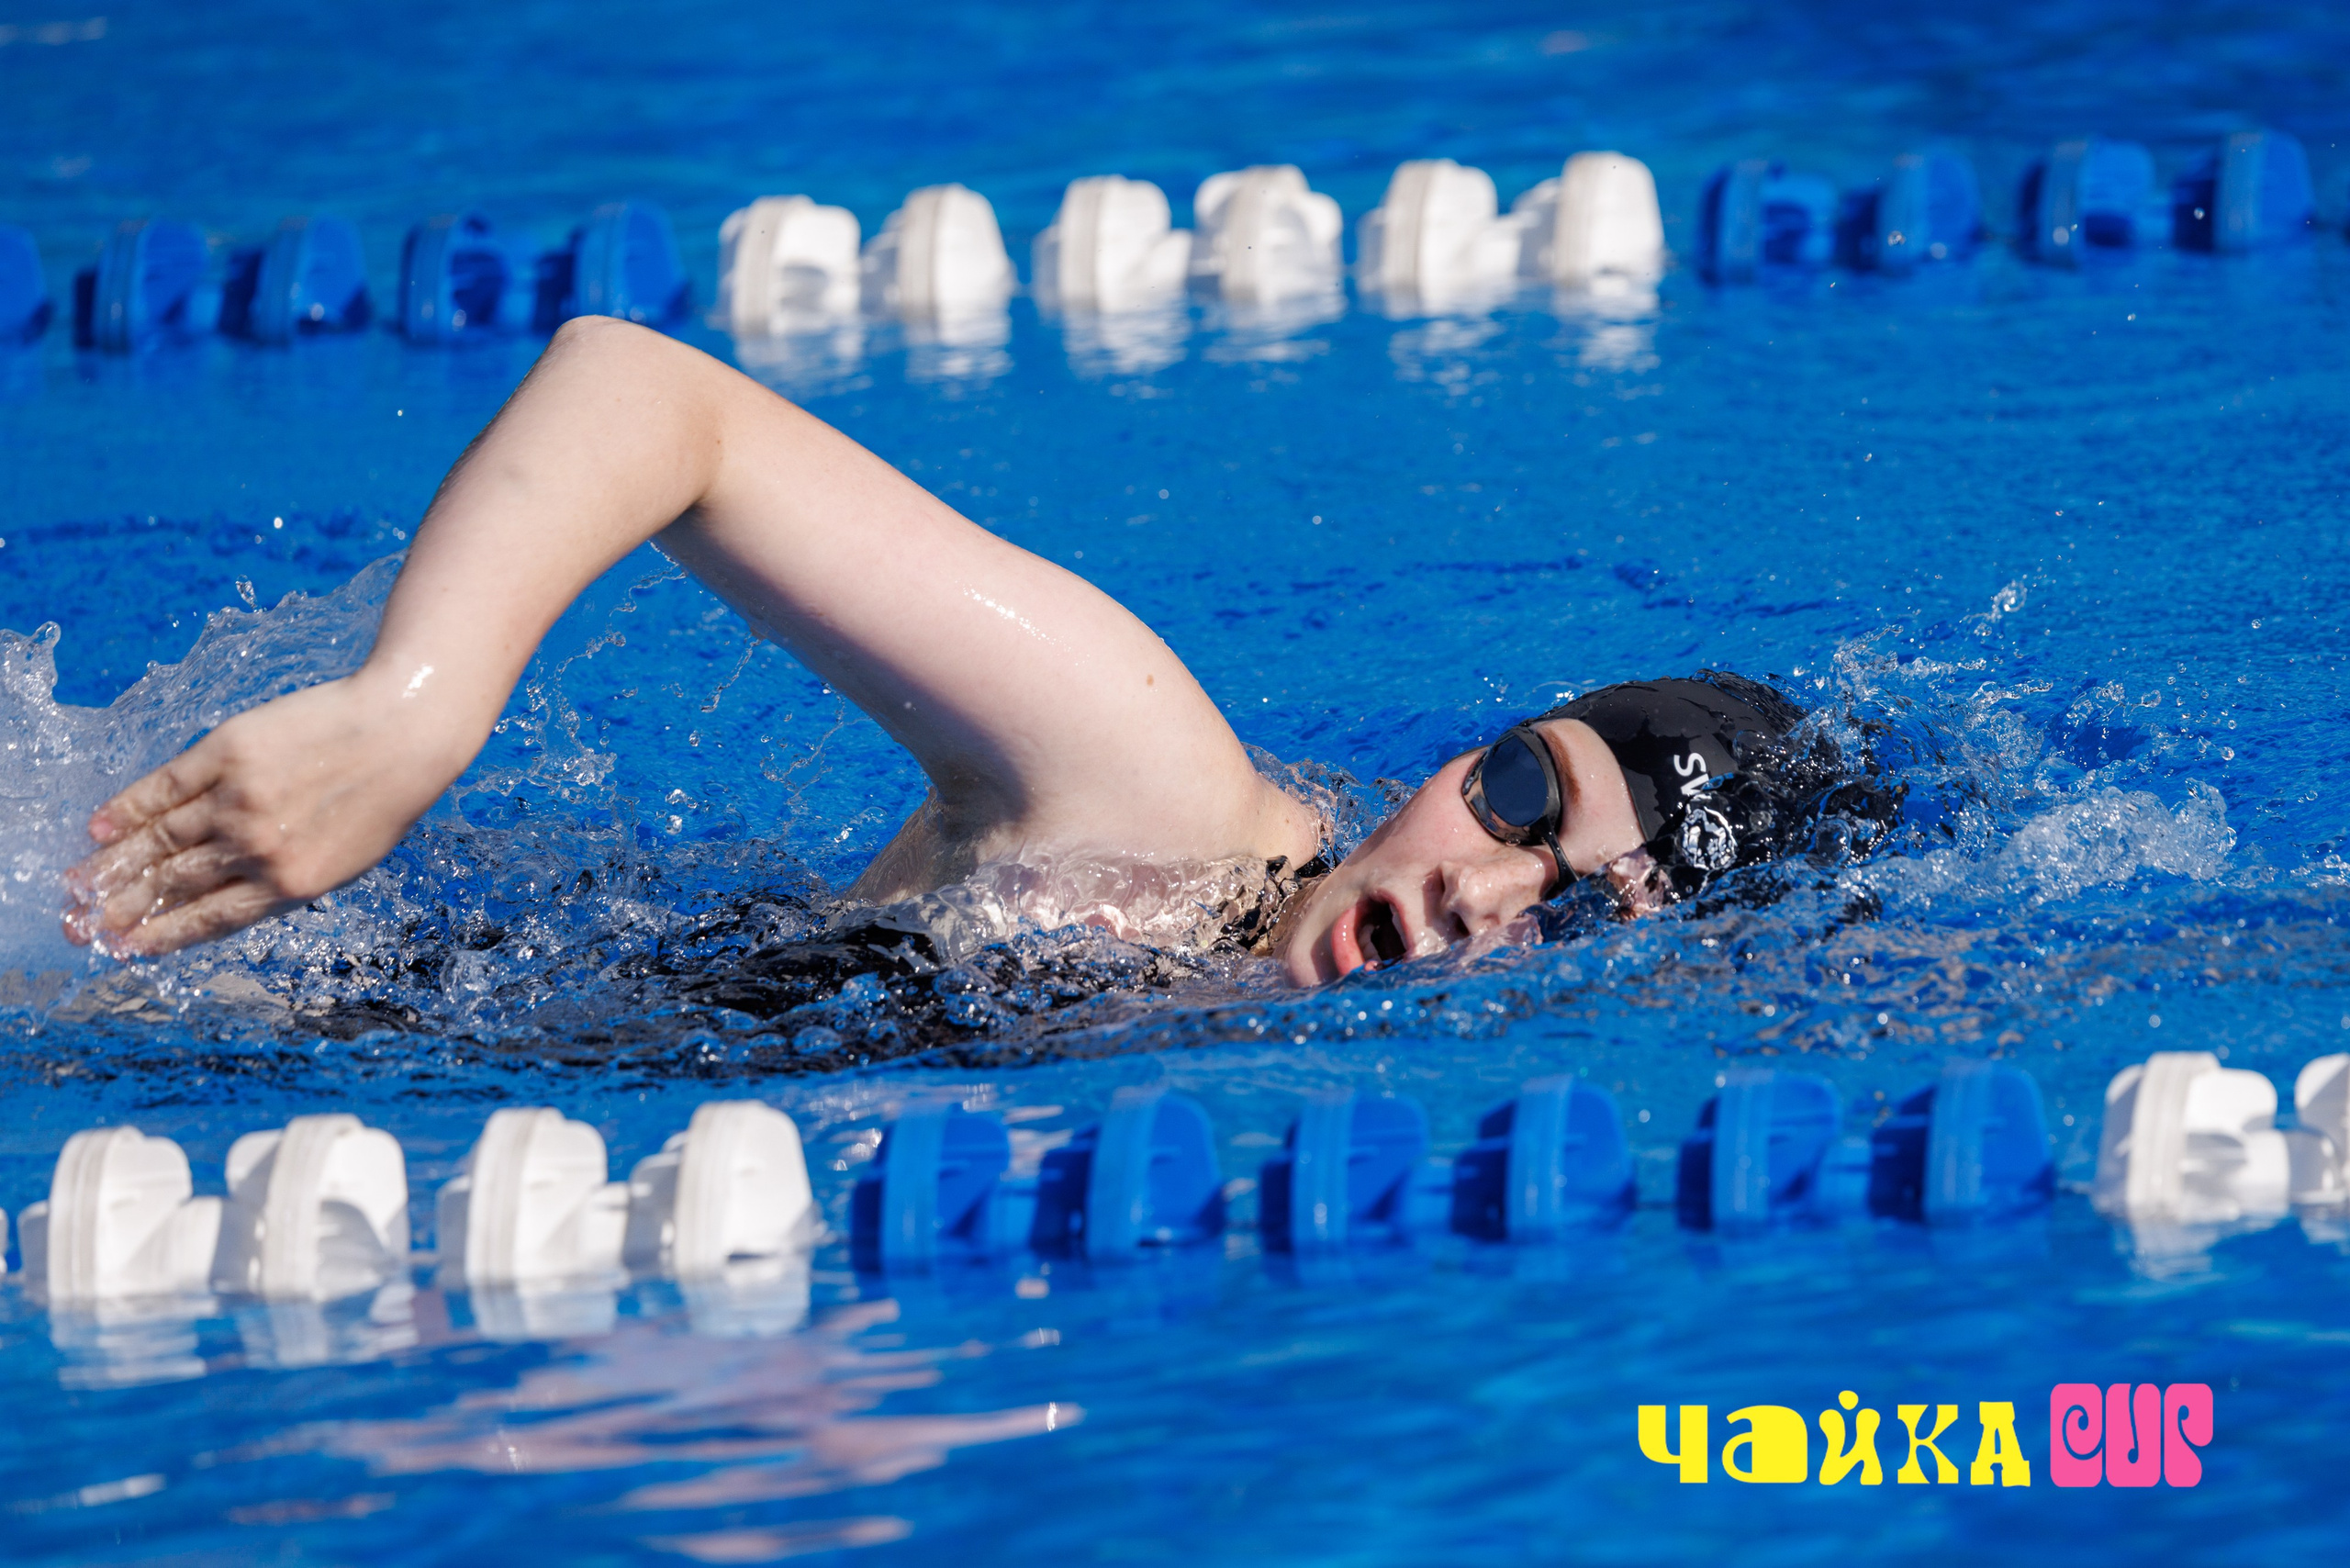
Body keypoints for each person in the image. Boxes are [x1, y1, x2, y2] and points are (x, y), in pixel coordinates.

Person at [62, 319, 1852, 988]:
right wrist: (414, 711)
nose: (1484, 887)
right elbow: (650, 394)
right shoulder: (1151, 788)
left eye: (1583, 908)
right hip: (219, 958)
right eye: (1522, 790)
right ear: (1465, 746)